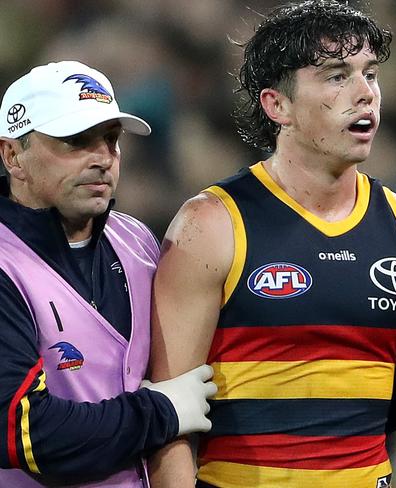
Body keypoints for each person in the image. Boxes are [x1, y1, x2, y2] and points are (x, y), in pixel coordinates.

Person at [147, 1, 396, 487]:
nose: (365, 94)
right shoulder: (210, 227)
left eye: (370, 74)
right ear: (278, 105)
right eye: (336, 76)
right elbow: (168, 417)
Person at [0, 60, 217, 487]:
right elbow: (21, 433)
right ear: (13, 155)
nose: (102, 158)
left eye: (111, 140)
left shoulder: (138, 240)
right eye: (76, 141)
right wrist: (160, 413)